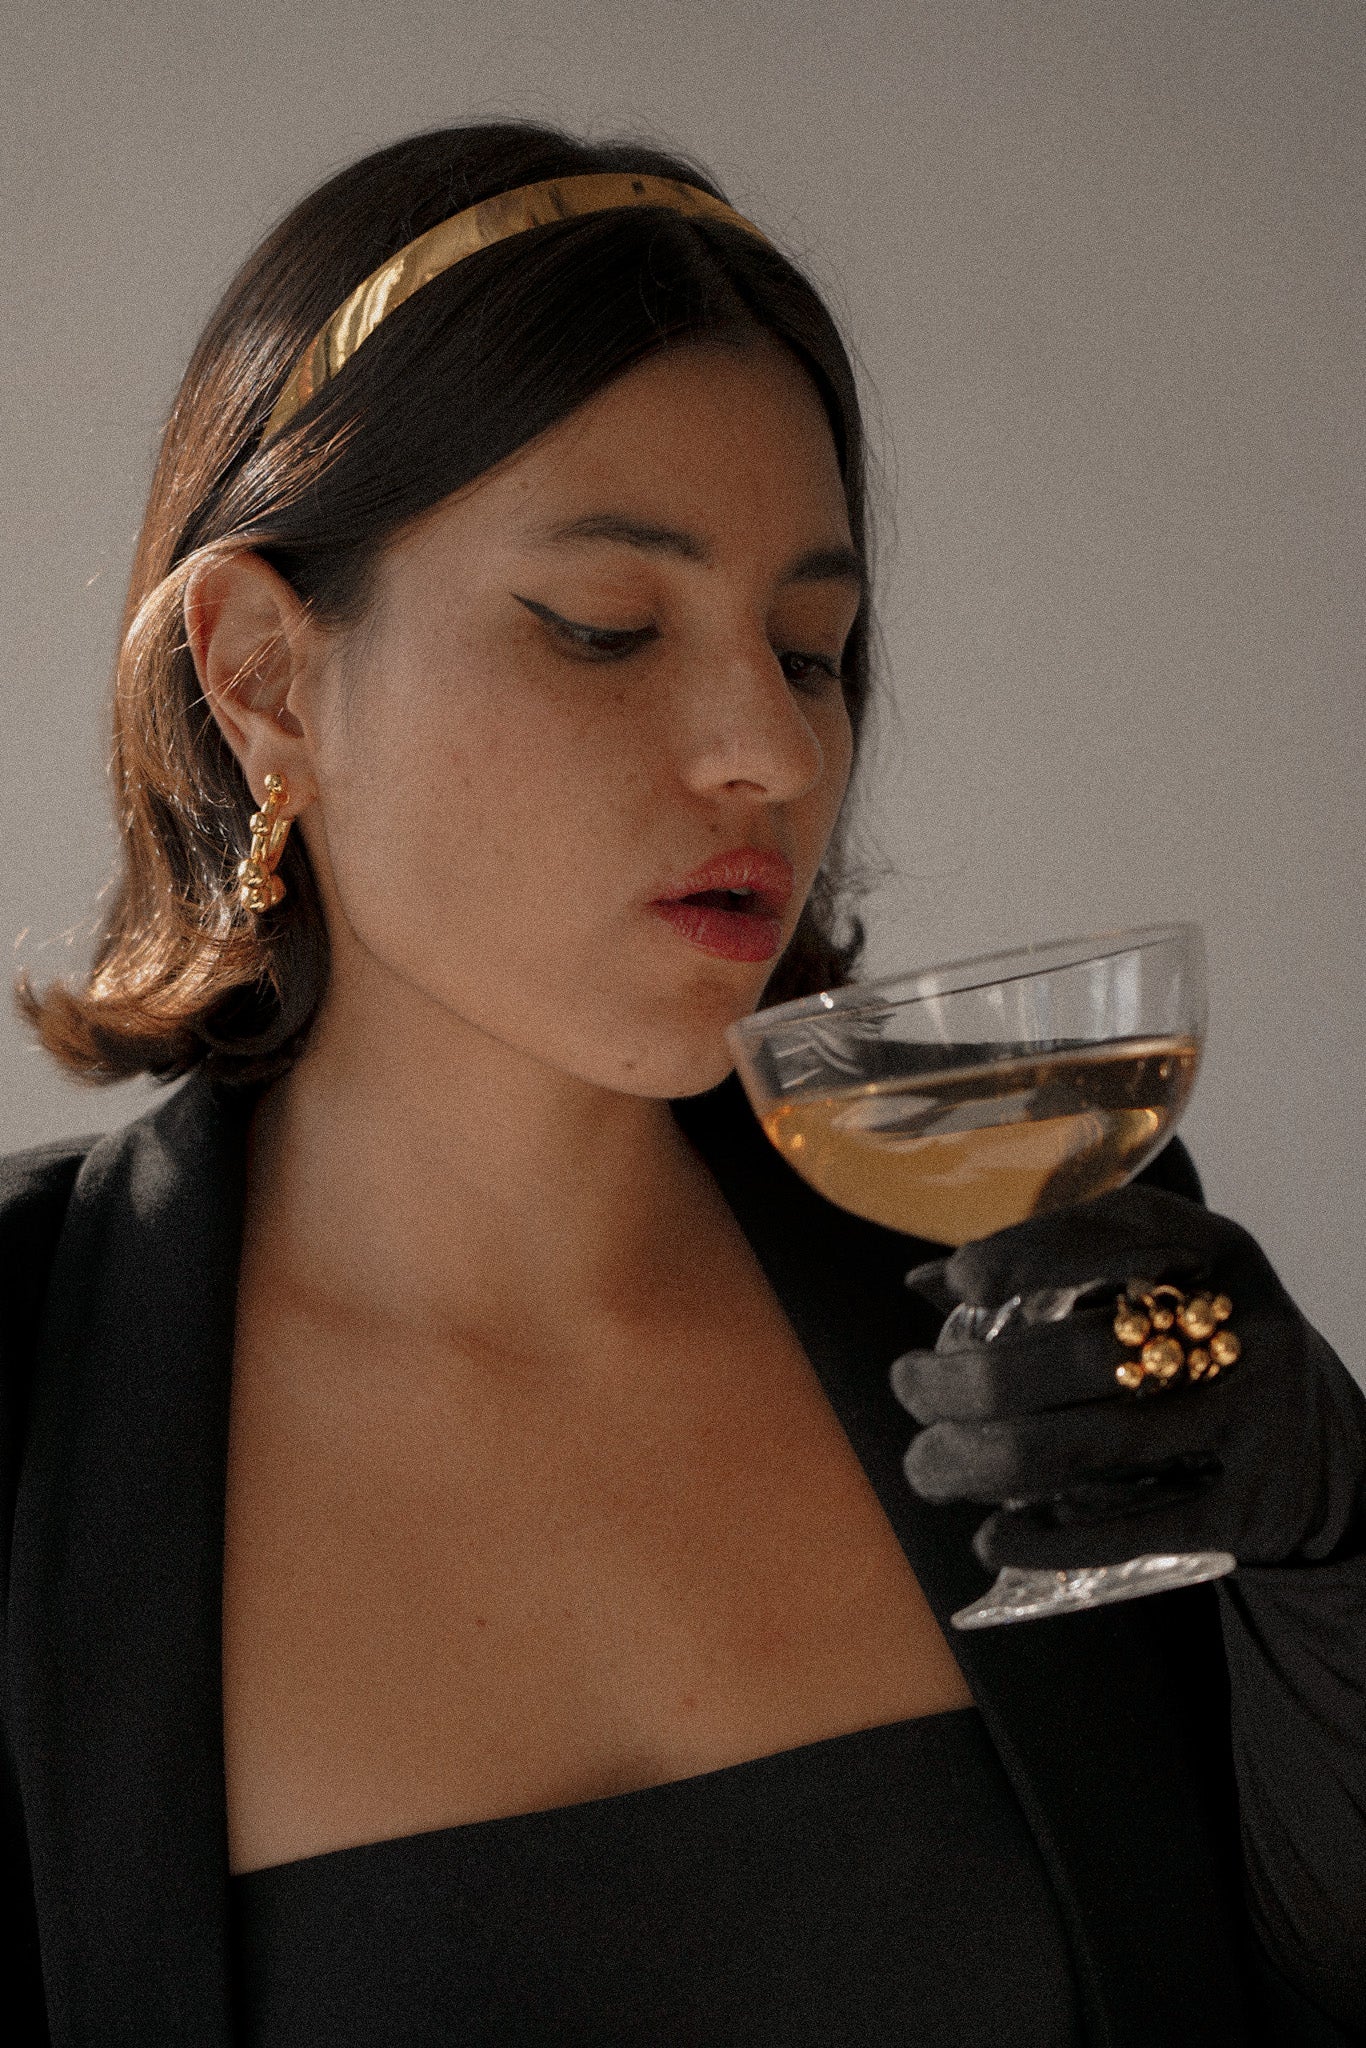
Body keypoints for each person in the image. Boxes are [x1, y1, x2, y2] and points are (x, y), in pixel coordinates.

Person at [2, 120, 1363, 2048]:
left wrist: (1330, 1562)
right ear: (264, 678)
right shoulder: (24, 1403)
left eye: (810, 651)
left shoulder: (1020, 1266)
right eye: (607, 630)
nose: (770, 754)